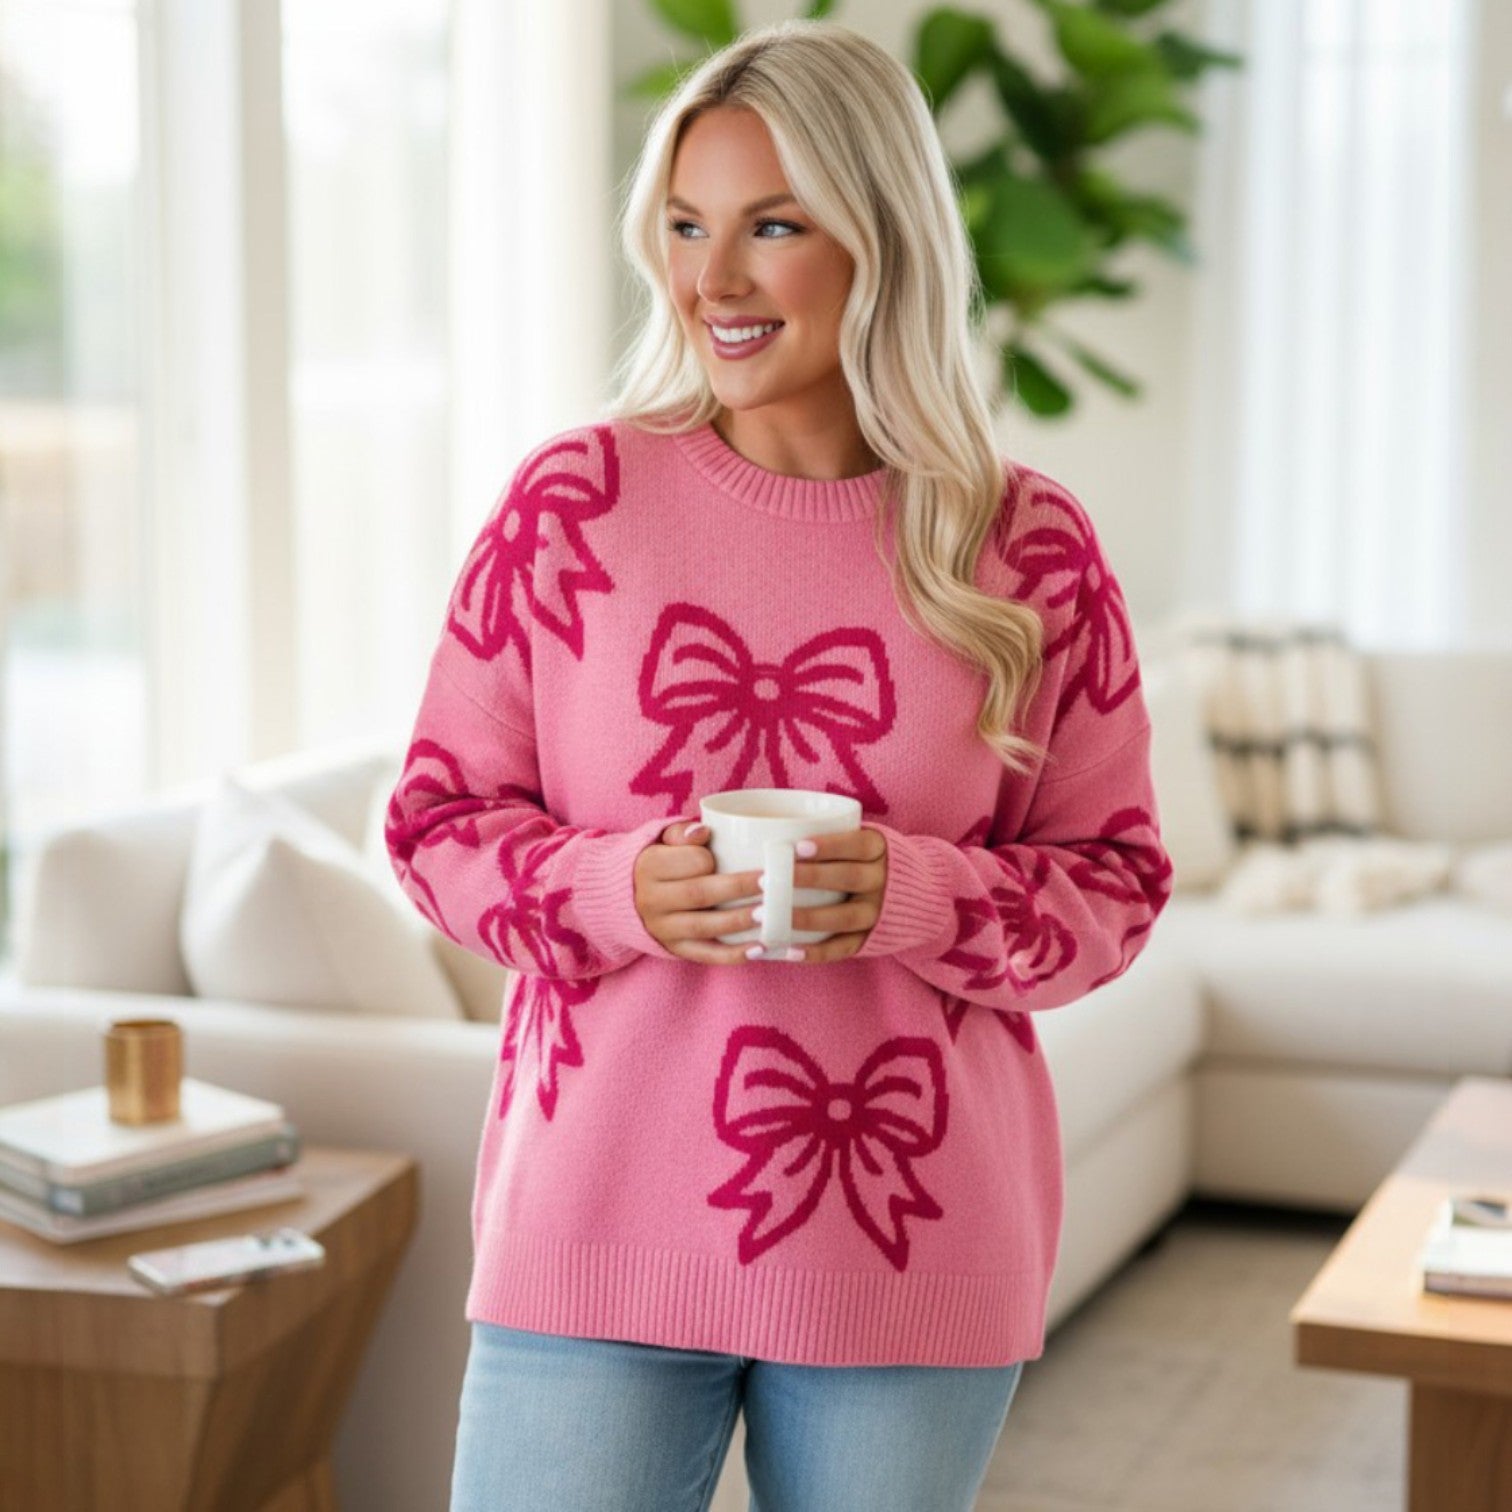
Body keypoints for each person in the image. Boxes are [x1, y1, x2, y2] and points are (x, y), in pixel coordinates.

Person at [384, 18, 1173, 1512]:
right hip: (596, 1225)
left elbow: (1118, 887)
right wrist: (616, 889)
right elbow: (433, 823)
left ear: (880, 240)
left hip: (913, 1238)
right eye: (684, 226)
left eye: (773, 227)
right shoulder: (575, 504)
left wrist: (916, 896)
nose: (711, 280)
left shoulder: (1029, 547)